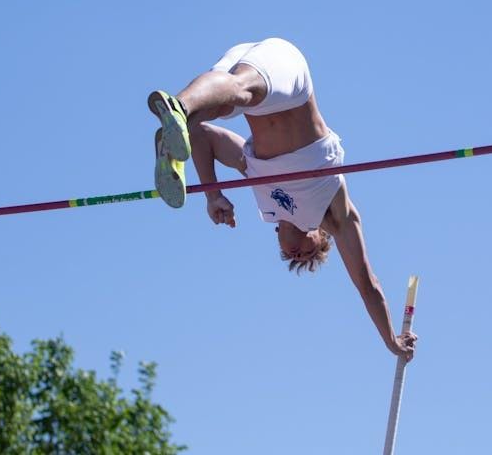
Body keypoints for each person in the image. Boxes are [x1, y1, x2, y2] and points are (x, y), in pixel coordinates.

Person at [148, 38, 417, 361]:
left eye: (294, 259)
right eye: (311, 251)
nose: (298, 253)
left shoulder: (263, 191)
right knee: (241, 92)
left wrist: (213, 194)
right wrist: (390, 339)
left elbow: (206, 138)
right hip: (285, 70)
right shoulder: (334, 211)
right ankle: (178, 109)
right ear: (322, 235)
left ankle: (173, 130)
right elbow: (366, 283)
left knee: (217, 110)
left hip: (241, 68)